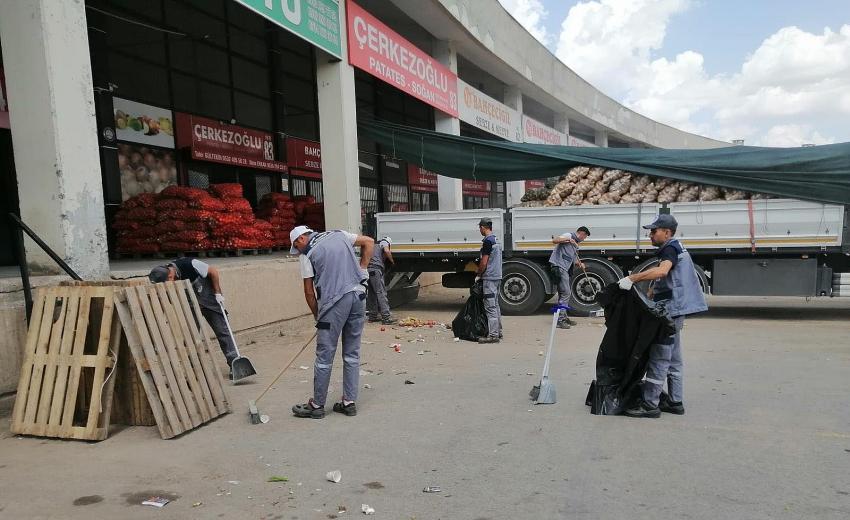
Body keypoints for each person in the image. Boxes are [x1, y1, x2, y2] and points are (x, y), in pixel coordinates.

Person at [617, 214, 707, 418]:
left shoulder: (669, 248)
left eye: (654, 231)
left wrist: (632, 278)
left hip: (669, 312)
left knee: (659, 357)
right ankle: (675, 402)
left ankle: (650, 405)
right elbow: (667, 275)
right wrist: (653, 289)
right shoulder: (677, 247)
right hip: (676, 310)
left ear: (667, 233)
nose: (650, 235)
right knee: (675, 359)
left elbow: (663, 271)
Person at [288, 225, 374, 419]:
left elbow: (309, 292)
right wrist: (363, 268)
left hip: (334, 303)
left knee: (324, 357)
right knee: (352, 353)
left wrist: (318, 316)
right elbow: (369, 242)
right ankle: (349, 402)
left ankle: (317, 405)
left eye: (296, 246)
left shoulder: (307, 255)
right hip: (358, 297)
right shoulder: (339, 235)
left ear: (301, 239)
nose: (297, 250)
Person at [148, 258, 237, 371]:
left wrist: (217, 292)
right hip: (191, 305)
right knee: (191, 335)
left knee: (223, 332)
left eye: (166, 283)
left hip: (209, 300)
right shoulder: (163, 274)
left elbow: (213, 271)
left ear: (170, 276)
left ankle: (234, 364)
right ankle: (194, 367)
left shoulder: (190, 264)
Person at [549, 226, 591, 329]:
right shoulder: (568, 235)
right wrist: (568, 239)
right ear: (582, 233)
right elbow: (555, 240)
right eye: (585, 237)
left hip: (564, 269)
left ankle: (563, 317)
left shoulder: (575, 245)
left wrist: (580, 264)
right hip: (559, 267)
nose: (584, 239)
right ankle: (561, 320)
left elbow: (572, 260)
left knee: (563, 293)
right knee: (566, 293)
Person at [476, 218, 503, 344]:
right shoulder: (496, 240)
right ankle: (498, 331)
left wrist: (479, 274)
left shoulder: (487, 242)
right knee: (496, 305)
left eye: (480, 228)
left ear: (483, 227)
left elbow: (484, 262)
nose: (479, 230)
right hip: (497, 276)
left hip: (490, 278)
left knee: (490, 307)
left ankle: (493, 336)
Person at [366, 236, 397, 325]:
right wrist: (392, 261)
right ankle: (386, 317)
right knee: (381, 293)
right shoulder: (384, 242)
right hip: (376, 269)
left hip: (369, 270)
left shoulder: (373, 245)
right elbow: (387, 251)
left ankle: (372, 316)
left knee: (372, 293)